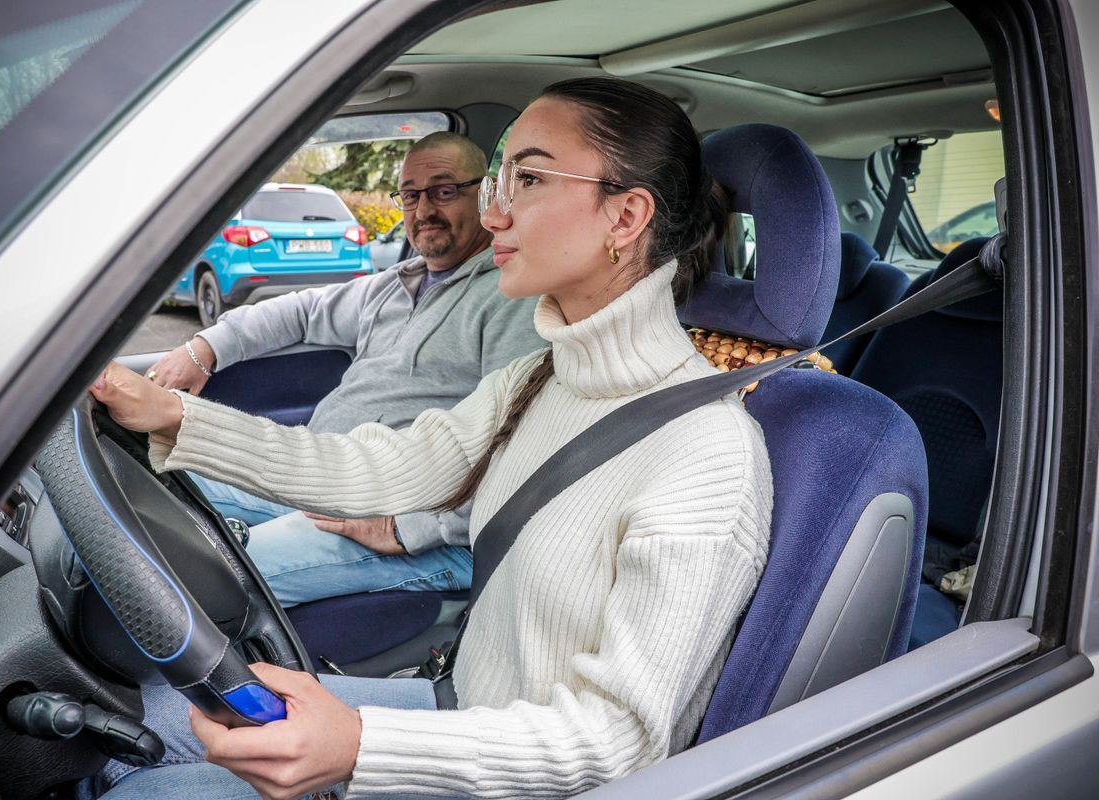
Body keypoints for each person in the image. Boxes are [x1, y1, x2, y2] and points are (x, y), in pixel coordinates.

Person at [91, 77, 773, 799]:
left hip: (522, 774)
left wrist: (360, 748)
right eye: (500, 182)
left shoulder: (707, 454)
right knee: (136, 722)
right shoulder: (539, 378)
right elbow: (371, 468)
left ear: (626, 216)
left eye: (529, 179)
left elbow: (619, 743)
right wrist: (171, 416)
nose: (495, 211)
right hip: (460, 706)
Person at [148, 131, 543, 606]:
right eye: (410, 195)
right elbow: (300, 311)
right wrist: (204, 348)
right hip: (330, 476)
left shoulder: (510, 300)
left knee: (206, 578)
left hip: (418, 521)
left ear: (484, 194)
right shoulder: (394, 285)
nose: (423, 211)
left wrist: (410, 527)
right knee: (156, 484)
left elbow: (518, 455)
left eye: (443, 191)